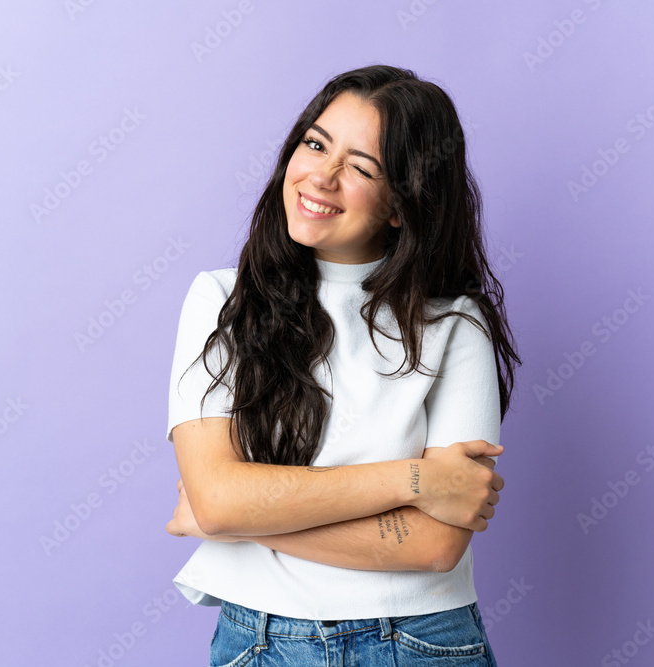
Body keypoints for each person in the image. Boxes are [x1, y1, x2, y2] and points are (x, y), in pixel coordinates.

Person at [164, 64, 521, 666]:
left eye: (360, 168)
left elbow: (436, 545)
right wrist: (418, 481)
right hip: (261, 642)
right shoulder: (220, 301)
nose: (321, 177)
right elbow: (220, 499)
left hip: (418, 641)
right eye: (315, 144)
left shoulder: (456, 324)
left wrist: (237, 518)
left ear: (403, 205)